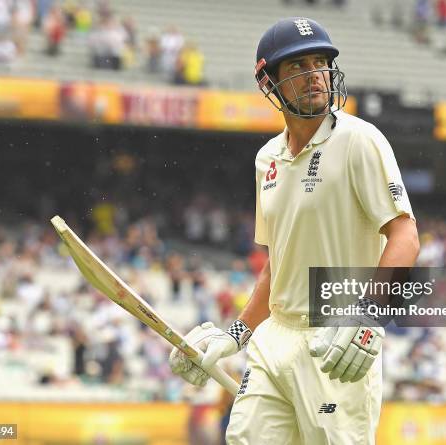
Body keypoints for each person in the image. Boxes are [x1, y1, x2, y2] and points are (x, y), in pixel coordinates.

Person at [169, 17, 419, 444]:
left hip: (335, 340)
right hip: (274, 341)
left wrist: (368, 313)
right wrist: (236, 335)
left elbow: (405, 235)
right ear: (270, 81)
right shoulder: (266, 159)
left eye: (321, 62)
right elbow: (278, 265)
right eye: (298, 66)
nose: (316, 75)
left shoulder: (360, 139)